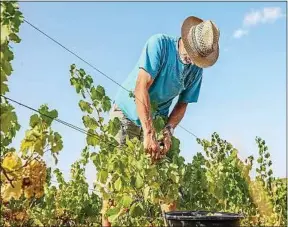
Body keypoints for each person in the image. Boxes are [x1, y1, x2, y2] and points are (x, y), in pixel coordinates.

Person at [102, 15, 220, 226]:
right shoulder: (160, 45)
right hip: (127, 114)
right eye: (192, 55)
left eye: (198, 58)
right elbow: (141, 88)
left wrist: (167, 130)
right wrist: (147, 133)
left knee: (167, 185)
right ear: (185, 39)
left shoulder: (195, 70)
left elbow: (183, 104)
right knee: (116, 182)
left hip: (157, 121)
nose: (192, 61)